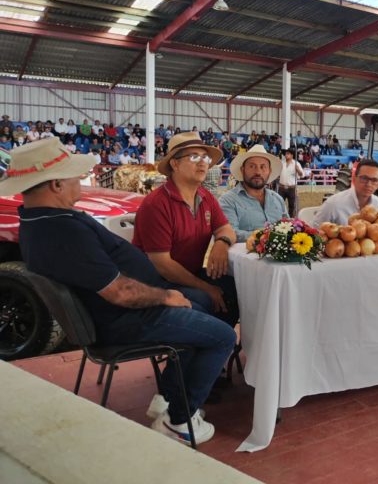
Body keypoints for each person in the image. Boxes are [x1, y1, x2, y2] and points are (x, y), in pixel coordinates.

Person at [1, 138, 235, 445]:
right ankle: (179, 420)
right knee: (223, 336)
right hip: (125, 318)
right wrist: (167, 297)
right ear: (57, 184)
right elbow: (121, 293)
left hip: (122, 310)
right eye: (75, 177)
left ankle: (169, 397)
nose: (81, 184)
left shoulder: (43, 219)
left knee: (203, 310)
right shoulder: (62, 230)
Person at [133, 132, 239, 327]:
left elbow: (226, 229)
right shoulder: (157, 204)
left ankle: (215, 345)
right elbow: (162, 264)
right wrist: (207, 287)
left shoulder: (206, 197)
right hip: (156, 282)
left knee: (238, 288)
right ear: (174, 164)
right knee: (208, 298)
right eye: (194, 157)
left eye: (205, 157)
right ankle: (195, 350)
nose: (203, 163)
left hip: (189, 274)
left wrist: (222, 243)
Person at [219, 145, 287, 242]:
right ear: (243, 170)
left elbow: (289, 226)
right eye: (252, 166)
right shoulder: (228, 200)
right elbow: (230, 232)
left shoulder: (277, 199)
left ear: (269, 171)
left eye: (263, 167)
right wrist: (267, 236)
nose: (258, 172)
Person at [313, 159, 378, 226]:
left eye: (374, 180)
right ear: (354, 179)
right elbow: (315, 232)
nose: (369, 184)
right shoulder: (333, 204)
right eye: (364, 178)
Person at [278, 148, 304, 218]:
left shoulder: (296, 164)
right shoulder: (282, 163)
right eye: (286, 154)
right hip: (281, 188)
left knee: (292, 206)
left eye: (288, 154)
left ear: (292, 155)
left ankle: (291, 220)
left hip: (291, 188)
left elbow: (302, 175)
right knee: (279, 204)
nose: (286, 155)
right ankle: (280, 218)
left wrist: (298, 169)